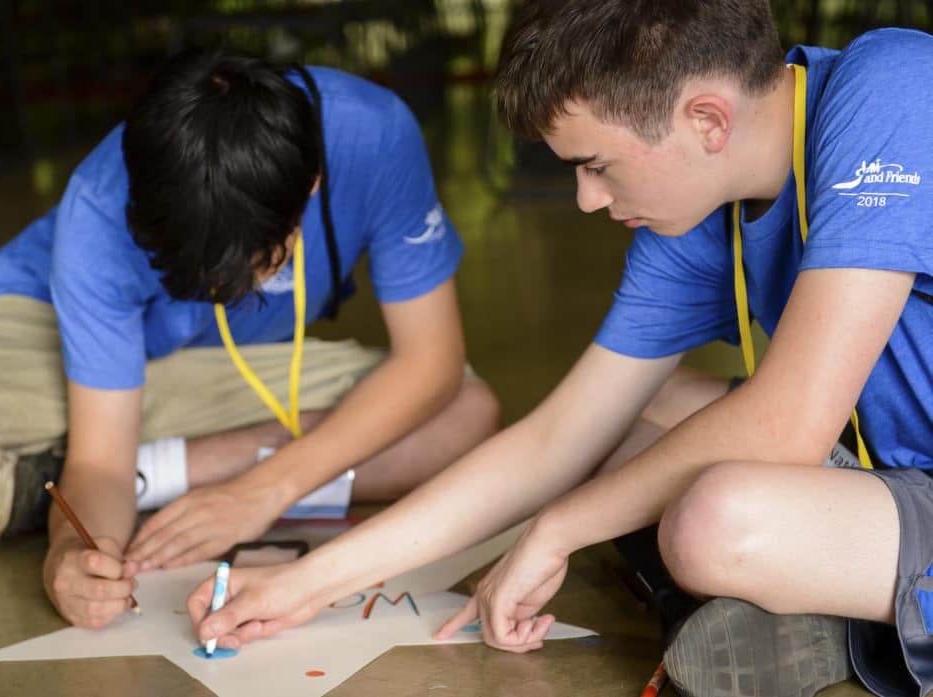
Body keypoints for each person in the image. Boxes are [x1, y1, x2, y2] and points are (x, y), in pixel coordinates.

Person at [184, 3, 933, 696]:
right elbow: (557, 437)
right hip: (887, 463)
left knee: (712, 520)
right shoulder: (700, 210)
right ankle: (841, 604)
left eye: (596, 165)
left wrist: (558, 528)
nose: (586, 199)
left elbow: (787, 424)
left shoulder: (891, 89)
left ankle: (830, 609)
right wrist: (307, 583)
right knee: (635, 428)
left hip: (891, 465)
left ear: (707, 120)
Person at [0, 46, 502, 630]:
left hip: (214, 369)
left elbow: (431, 362)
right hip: (44, 333)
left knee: (462, 420)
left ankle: (134, 470)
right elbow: (99, 463)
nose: (218, 289)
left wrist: (262, 490)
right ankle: (123, 467)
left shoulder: (374, 134)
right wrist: (73, 554)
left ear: (310, 183)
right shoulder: (98, 210)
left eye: (251, 268)